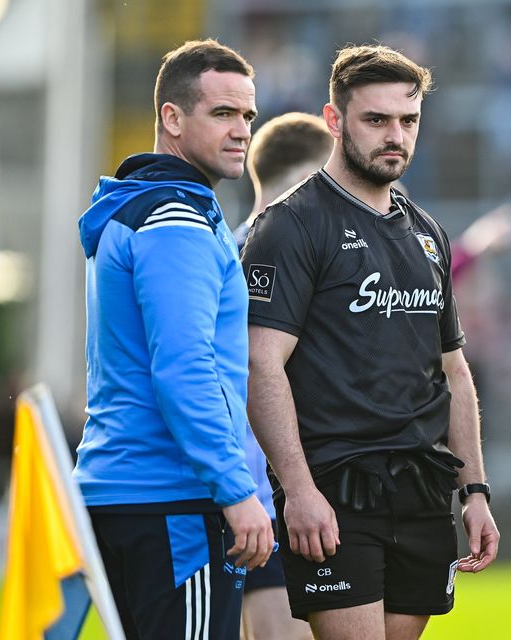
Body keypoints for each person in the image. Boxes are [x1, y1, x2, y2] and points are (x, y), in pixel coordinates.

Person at [241, 44, 500, 640]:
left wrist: (476, 493)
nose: (395, 136)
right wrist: (298, 491)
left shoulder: (428, 232)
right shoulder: (291, 224)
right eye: (376, 120)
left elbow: (455, 373)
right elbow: (262, 364)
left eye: (407, 121)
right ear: (334, 121)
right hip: (335, 494)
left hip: (422, 491)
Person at [74, 39, 273, 638]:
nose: (242, 130)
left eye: (247, 116)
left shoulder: (141, 210)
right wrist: (236, 489)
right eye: (223, 114)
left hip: (129, 493)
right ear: (171, 118)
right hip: (172, 498)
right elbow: (184, 367)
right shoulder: (175, 223)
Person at [236, 111, 333, 640]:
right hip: (270, 494)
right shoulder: (270, 254)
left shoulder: (223, 251)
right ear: (303, 180)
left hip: (253, 491)